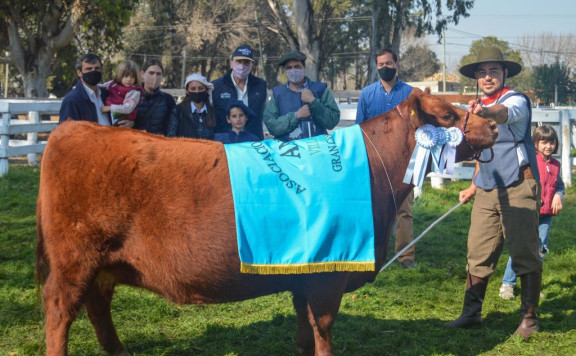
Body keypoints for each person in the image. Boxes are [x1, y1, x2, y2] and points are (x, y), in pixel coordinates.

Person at [444, 47, 542, 340]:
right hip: (487, 189)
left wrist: (484, 111)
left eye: (494, 71)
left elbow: (503, 114)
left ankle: (529, 319)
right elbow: (481, 153)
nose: (488, 77)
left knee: (524, 252)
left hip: (518, 186)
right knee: (477, 252)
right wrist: (474, 184)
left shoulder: (516, 100)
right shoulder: (475, 106)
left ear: (505, 74)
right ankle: (471, 313)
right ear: (476, 77)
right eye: (483, 73)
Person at [355, 48, 416, 269]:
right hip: (376, 162)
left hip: (403, 161)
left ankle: (405, 255)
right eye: (380, 64)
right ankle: (373, 253)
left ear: (396, 65)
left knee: (404, 209)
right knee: (373, 208)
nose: (384, 68)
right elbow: (360, 129)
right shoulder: (367, 94)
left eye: (388, 64)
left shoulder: (411, 93)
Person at [499, 125, 564, 300]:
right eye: (544, 142)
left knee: (539, 250)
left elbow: (560, 186)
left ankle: (532, 286)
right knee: (522, 248)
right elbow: (520, 182)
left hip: (546, 216)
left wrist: (558, 196)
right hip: (528, 212)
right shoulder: (530, 161)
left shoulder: (556, 165)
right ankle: (508, 284)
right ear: (535, 143)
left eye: (551, 142)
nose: (548, 146)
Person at [263, 50, 340, 141]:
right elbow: (271, 126)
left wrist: (314, 102)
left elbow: (332, 121)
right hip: (288, 151)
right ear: (284, 70)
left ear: (304, 67)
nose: (293, 71)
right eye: (289, 68)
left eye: (297, 67)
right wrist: (296, 116)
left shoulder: (320, 90)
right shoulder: (278, 94)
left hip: (317, 149)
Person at [59, 53, 131, 127]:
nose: (93, 71)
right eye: (89, 69)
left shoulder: (107, 93)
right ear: (79, 72)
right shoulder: (72, 100)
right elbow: (67, 133)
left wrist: (130, 123)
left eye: (97, 68)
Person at [212, 45, 267, 140]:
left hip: (253, 142)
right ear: (231, 63)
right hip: (225, 143)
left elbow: (265, 112)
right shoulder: (216, 86)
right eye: (238, 61)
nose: (242, 66)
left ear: (252, 65)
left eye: (246, 62)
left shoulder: (261, 86)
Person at [166, 73, 215, 139]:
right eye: (193, 88)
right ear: (187, 91)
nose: (197, 91)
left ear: (206, 90)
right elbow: (171, 137)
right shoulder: (178, 111)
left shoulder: (214, 112)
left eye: (200, 88)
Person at [133, 59, 176, 135]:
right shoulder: (131, 96)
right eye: (151, 73)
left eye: (158, 74)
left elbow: (172, 127)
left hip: (159, 144)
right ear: (142, 74)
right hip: (136, 143)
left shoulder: (168, 100)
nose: (155, 77)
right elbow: (116, 117)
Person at [100, 60, 143, 125]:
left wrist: (110, 108)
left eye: (132, 76)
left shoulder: (134, 91)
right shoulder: (113, 84)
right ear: (120, 75)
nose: (129, 79)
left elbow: (128, 108)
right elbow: (101, 87)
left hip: (124, 116)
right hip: (109, 113)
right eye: (126, 76)